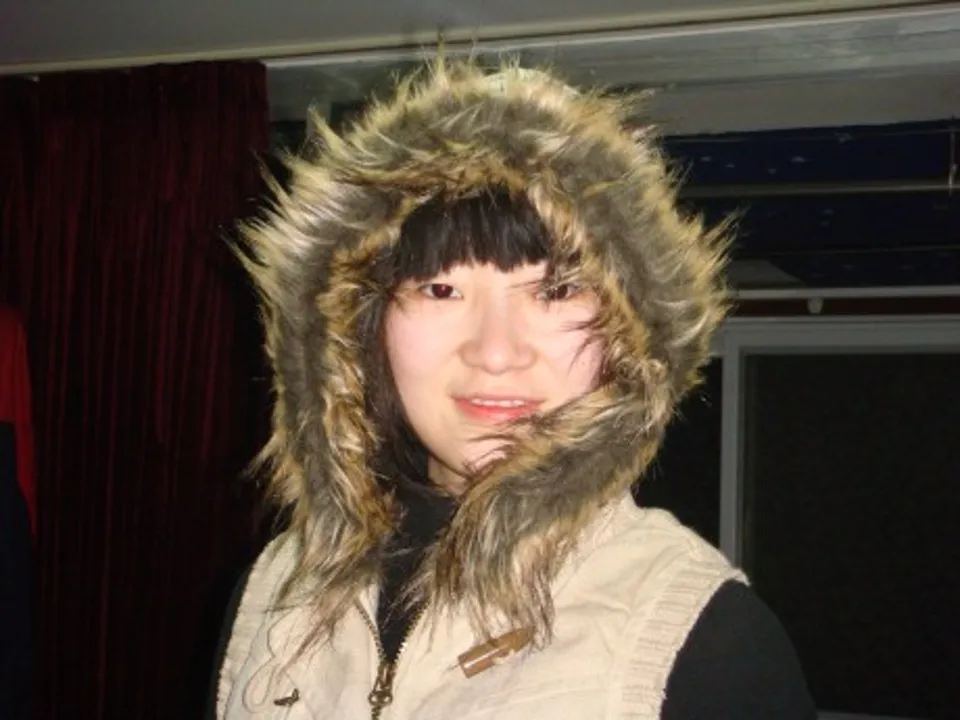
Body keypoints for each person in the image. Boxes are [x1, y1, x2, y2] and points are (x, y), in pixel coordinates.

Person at [213, 58, 816, 719]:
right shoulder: (273, 593)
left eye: (555, 290)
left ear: (631, 330)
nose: (495, 352)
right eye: (440, 288)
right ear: (358, 325)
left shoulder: (708, 640)